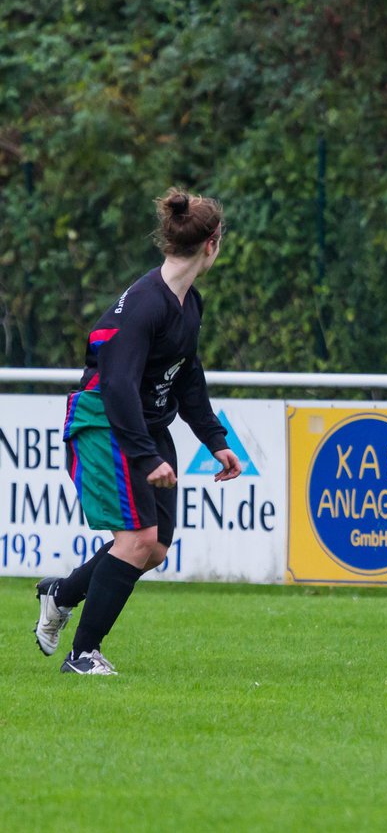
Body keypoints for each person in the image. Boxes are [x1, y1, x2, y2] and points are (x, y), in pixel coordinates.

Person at [33, 188, 242, 675]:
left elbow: (187, 378)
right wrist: (147, 457)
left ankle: (60, 594)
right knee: (137, 538)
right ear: (212, 243)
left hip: (141, 423)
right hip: (104, 420)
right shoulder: (146, 304)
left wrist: (216, 441)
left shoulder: (189, 305)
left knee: (155, 547)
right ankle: (82, 656)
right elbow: (118, 386)